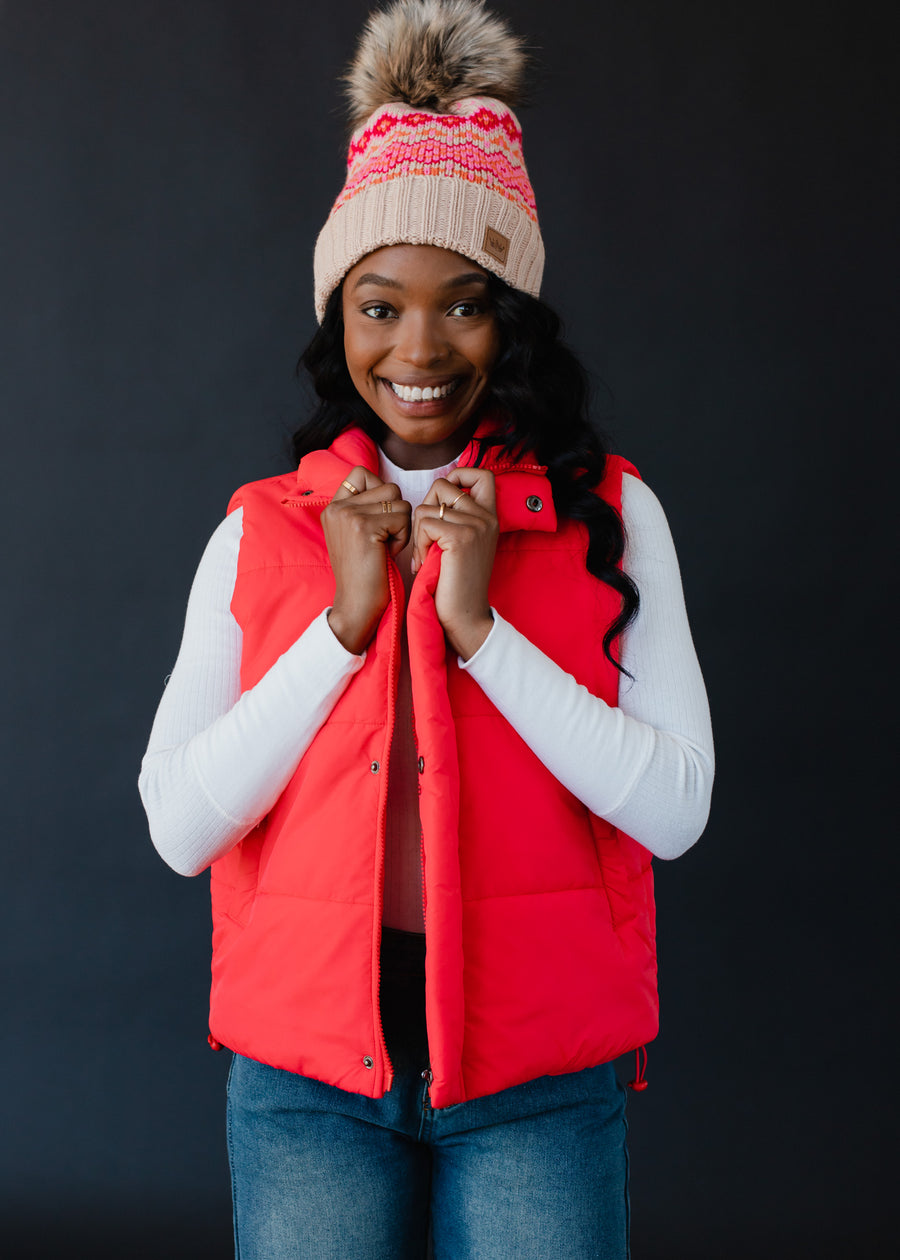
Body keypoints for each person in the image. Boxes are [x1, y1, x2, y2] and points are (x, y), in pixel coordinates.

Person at [139, 1, 714, 1256]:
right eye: (377, 304)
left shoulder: (612, 515)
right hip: (304, 1089)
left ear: (513, 317)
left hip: (539, 1083)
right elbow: (179, 827)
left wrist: (479, 631)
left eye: (464, 303)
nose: (418, 347)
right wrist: (346, 629)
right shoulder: (262, 530)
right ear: (337, 317)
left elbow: (675, 809)